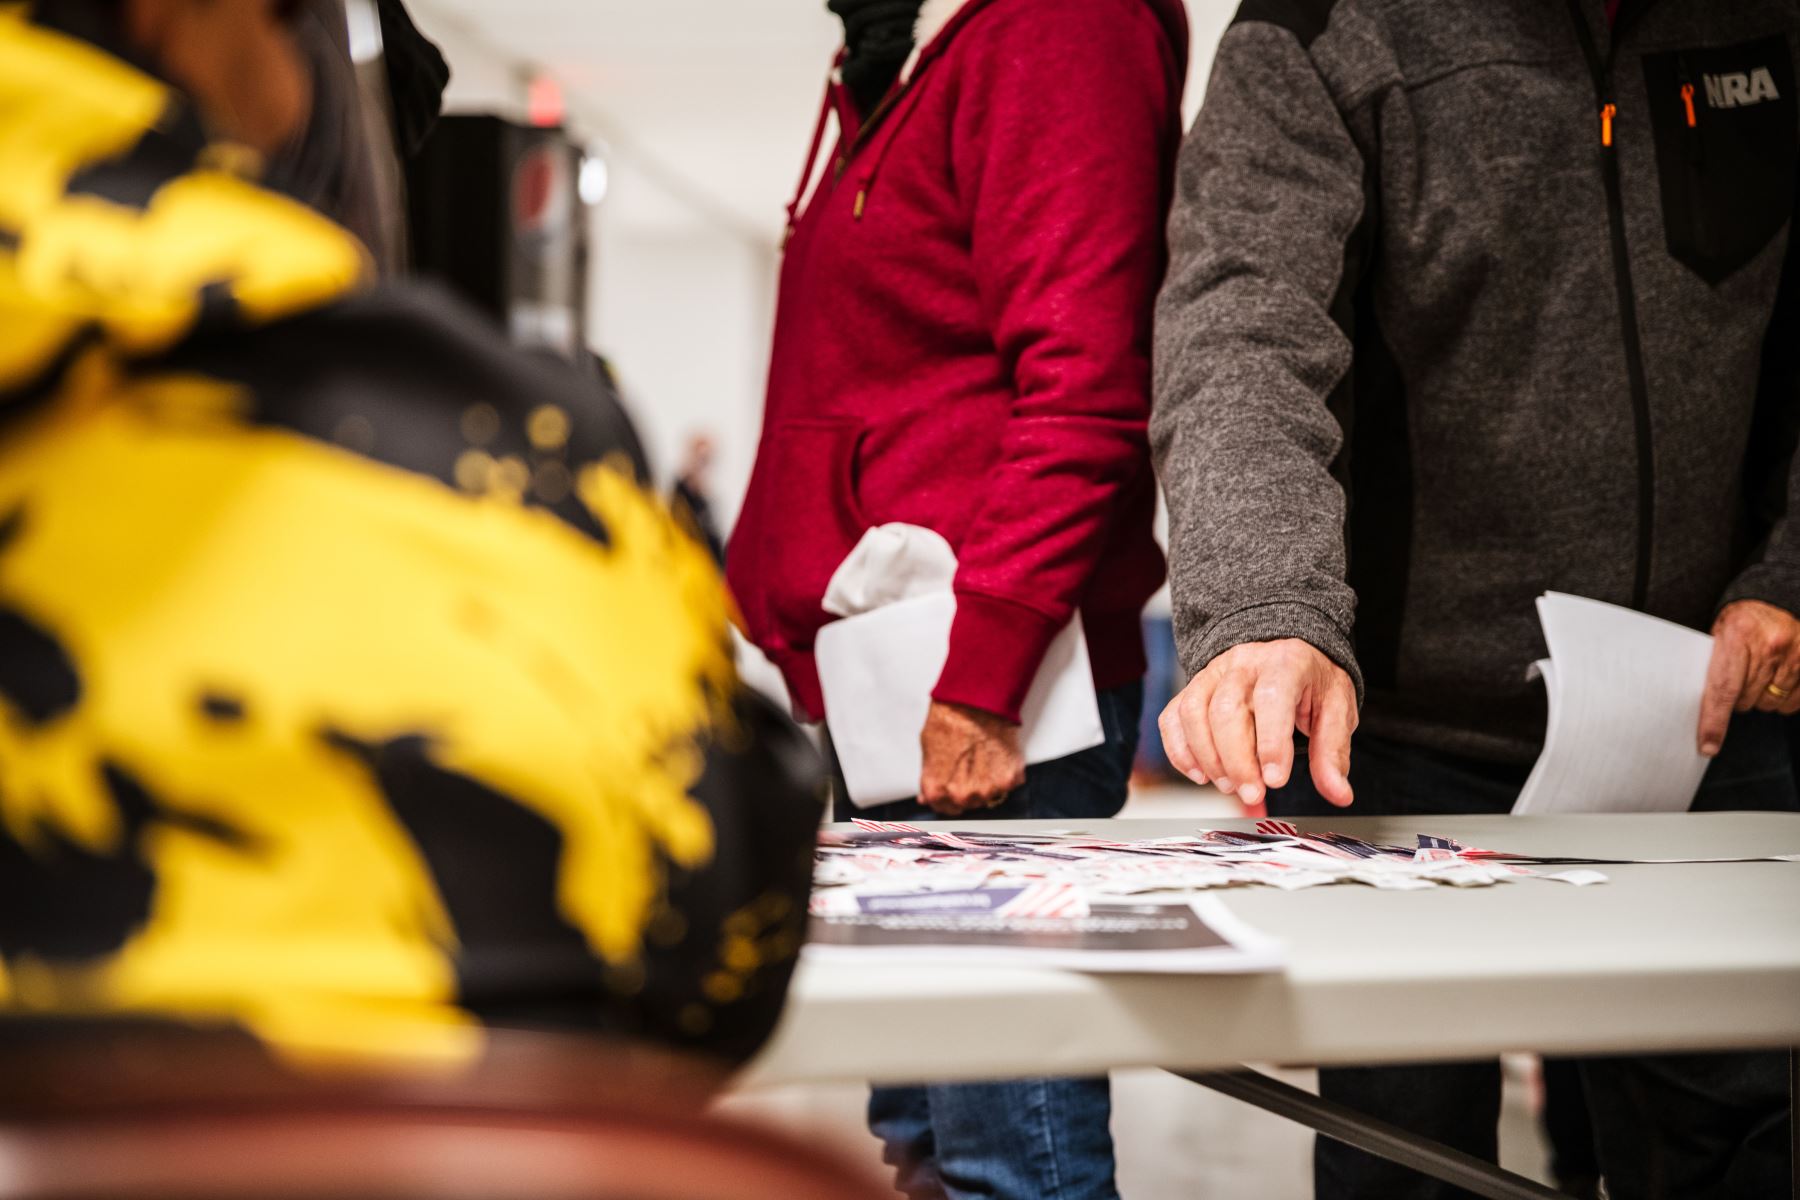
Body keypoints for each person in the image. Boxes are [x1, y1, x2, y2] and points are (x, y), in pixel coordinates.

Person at [0, 0, 822, 1070]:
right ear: (182, 13)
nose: (301, 85)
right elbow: (721, 964)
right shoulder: (496, 456)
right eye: (290, 20)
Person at [1152, 1, 1798, 1196]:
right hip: (1405, 736)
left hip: (1708, 707)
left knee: (1750, 1135)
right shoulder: (1322, 29)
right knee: (1408, 1157)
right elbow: (1244, 329)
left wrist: (1788, 576)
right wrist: (1266, 610)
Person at [727, 0, 1187, 1194]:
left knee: (1010, 1150)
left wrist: (982, 679)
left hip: (988, 693)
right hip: (900, 684)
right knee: (933, 1132)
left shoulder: (1057, 22)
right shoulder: (893, 56)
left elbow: (1086, 385)